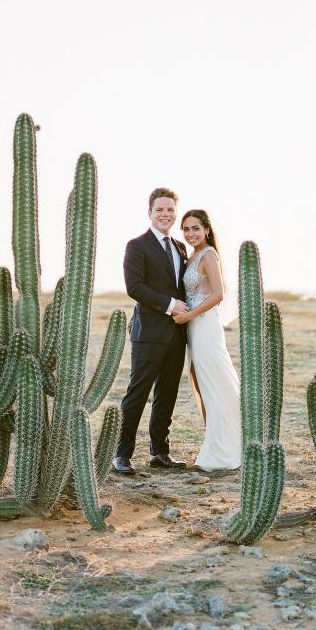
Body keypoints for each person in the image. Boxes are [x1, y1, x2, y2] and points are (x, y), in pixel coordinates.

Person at [113, 188, 189, 474]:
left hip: (177, 334)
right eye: (160, 209)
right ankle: (121, 454)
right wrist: (171, 305)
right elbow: (134, 287)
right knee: (137, 393)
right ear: (150, 212)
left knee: (167, 394)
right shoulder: (137, 245)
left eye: (170, 210)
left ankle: (160, 452)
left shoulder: (180, 247)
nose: (165, 214)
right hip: (149, 333)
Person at [173, 209, 242, 471]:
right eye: (186, 229)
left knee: (216, 379)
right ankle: (216, 438)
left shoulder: (209, 255)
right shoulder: (190, 258)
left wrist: (189, 314)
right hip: (193, 325)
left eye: (195, 229)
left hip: (205, 325)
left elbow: (217, 294)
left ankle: (228, 446)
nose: (191, 234)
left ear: (207, 230)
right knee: (201, 379)